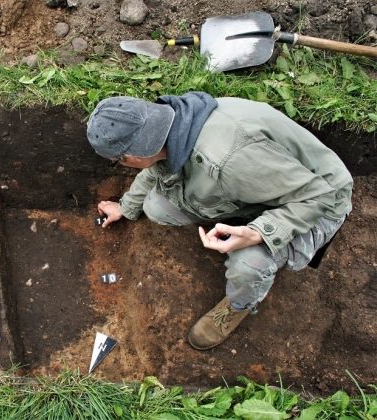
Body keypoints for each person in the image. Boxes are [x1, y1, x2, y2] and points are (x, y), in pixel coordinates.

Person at [86, 92, 353, 350]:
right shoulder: (174, 124)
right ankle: (242, 214)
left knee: (249, 264)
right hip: (263, 184)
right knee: (157, 206)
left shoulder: (229, 160)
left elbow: (320, 197)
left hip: (320, 202)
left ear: (132, 157)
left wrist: (259, 233)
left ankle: (238, 306)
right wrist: (126, 207)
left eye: (117, 160)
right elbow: (156, 166)